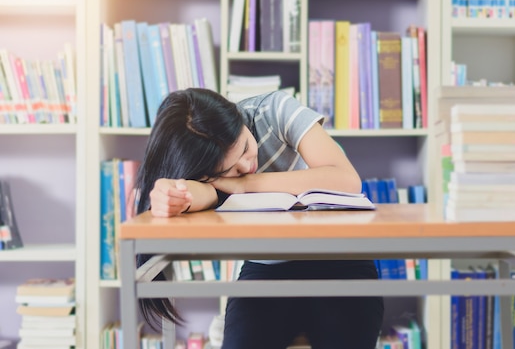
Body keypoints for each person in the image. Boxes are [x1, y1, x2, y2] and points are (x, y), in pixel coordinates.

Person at [135, 88, 384, 349]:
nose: (245, 166)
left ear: (238, 118)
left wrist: (247, 184)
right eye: (227, 171)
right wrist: (174, 193)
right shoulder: (201, 161)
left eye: (244, 147)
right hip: (269, 268)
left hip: (342, 261)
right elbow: (204, 193)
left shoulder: (273, 111)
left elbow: (346, 180)